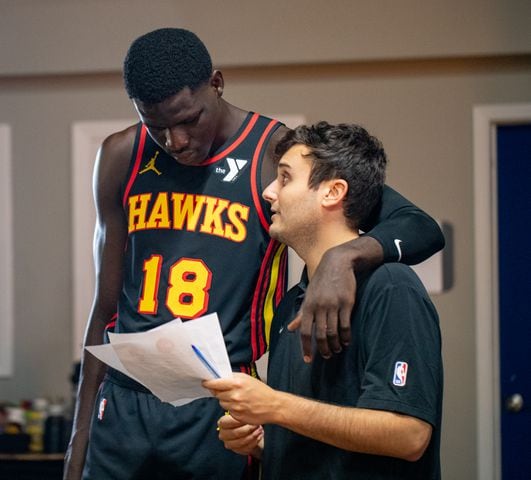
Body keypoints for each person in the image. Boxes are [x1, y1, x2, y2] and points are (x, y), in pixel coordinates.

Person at [64, 28, 444, 480]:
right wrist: (77, 442)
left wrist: (344, 259)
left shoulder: (272, 153)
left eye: (189, 120)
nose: (176, 141)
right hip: (125, 398)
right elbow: (104, 307)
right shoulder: (120, 155)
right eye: (156, 125)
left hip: (220, 398)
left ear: (217, 84)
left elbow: (418, 226)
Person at [205, 122, 443, 479]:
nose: (269, 192)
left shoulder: (391, 288)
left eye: (285, 178)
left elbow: (409, 434)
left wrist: (275, 407)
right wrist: (261, 442)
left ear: (333, 192)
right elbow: (322, 448)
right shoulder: (289, 306)